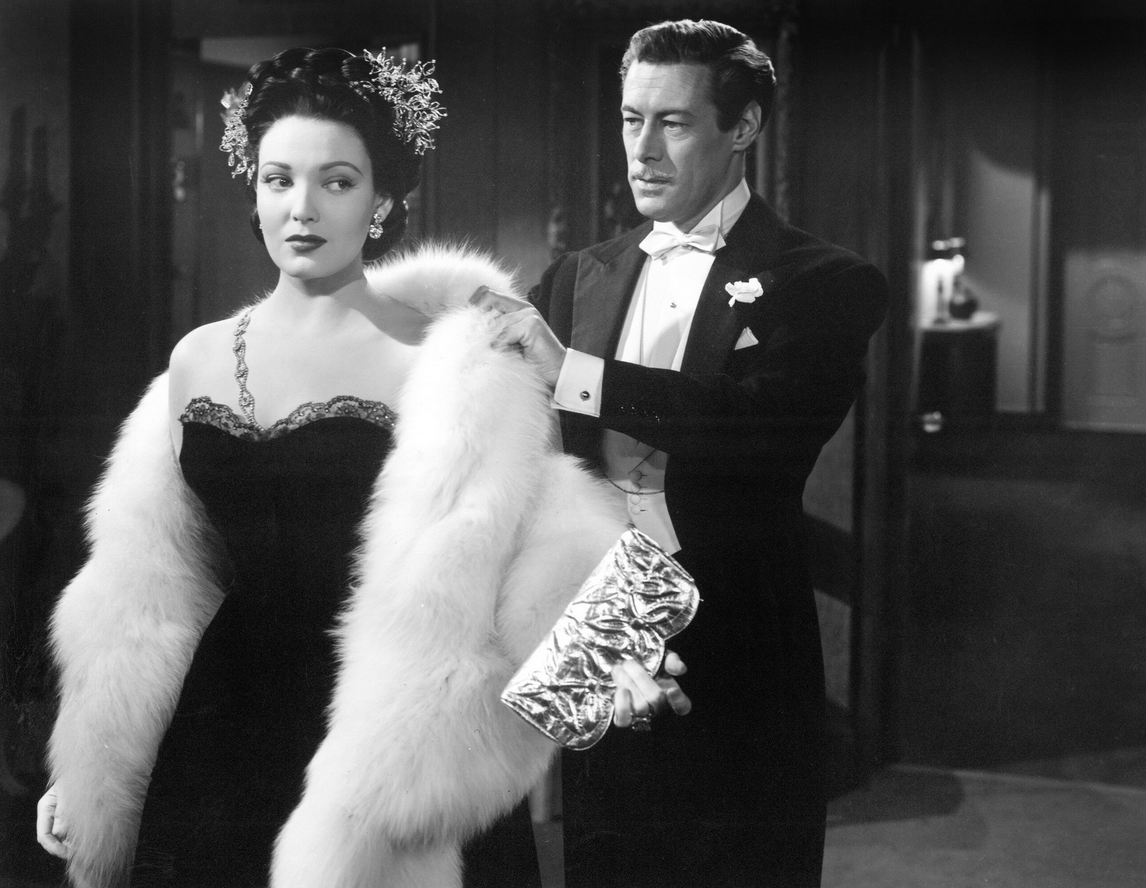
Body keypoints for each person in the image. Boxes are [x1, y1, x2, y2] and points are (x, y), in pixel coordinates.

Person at [34, 46, 671, 888]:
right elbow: (143, 593)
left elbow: (551, 547)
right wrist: (90, 769)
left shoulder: (457, 366)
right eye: (278, 180)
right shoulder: (195, 361)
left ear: (383, 200)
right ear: (253, 190)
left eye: (336, 181)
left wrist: (616, 660)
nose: (302, 208)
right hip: (220, 734)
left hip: (398, 742)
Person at [478, 19, 890, 888]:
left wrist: (575, 373)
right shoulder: (575, 276)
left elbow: (762, 431)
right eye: (632, 120)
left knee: (740, 864)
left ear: (742, 128)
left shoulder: (826, 281)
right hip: (595, 619)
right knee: (604, 859)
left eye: (673, 122)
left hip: (736, 627)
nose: (643, 149)